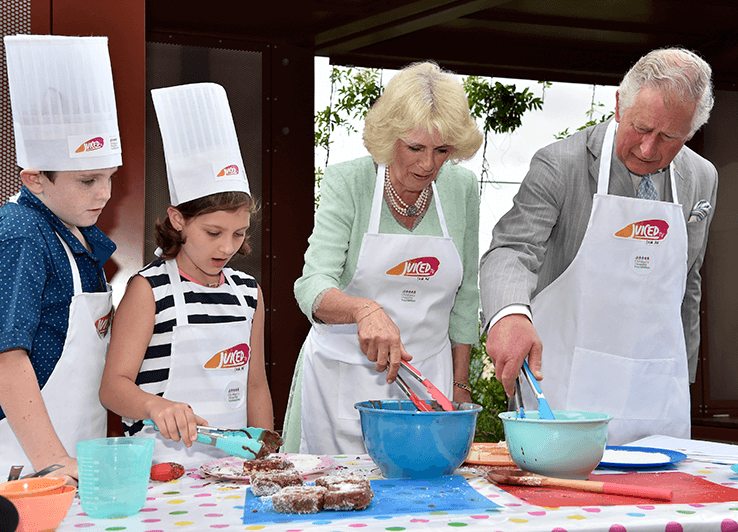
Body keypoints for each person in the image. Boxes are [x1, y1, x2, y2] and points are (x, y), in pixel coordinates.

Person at [480, 48, 718, 445]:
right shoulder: (562, 164)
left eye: (668, 137)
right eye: (641, 128)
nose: (647, 148)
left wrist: (682, 377)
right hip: (565, 384)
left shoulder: (701, 177)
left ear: (690, 133)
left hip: (655, 392)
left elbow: (687, 282)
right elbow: (511, 249)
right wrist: (508, 315)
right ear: (620, 104)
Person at [282, 61, 484, 454]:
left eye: (442, 150)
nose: (428, 164)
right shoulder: (349, 182)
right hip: (339, 382)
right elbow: (312, 287)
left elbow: (466, 296)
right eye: (415, 148)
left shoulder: (461, 189)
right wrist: (363, 310)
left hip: (429, 382)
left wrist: (460, 390)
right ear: (389, 137)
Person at [99, 83, 273, 462]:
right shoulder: (149, 289)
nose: (227, 247)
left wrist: (265, 455)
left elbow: (255, 385)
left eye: (239, 233)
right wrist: (154, 405)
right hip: (161, 467)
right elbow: (113, 387)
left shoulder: (248, 293)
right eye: (213, 233)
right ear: (178, 220)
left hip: (232, 468)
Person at [0, 35, 123, 483]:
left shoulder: (79, 236)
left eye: (111, 177)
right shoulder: (20, 234)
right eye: (88, 180)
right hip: (23, 462)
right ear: (35, 179)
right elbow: (6, 357)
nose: (105, 194)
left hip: (76, 448)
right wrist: (51, 461)